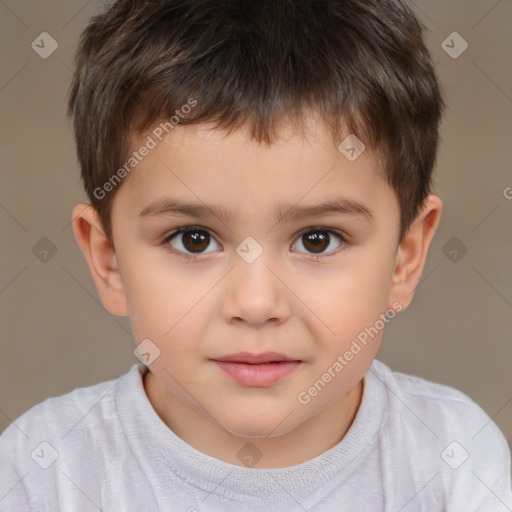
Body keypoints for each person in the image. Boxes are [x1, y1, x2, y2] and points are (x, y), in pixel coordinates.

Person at [1, 0, 511, 510]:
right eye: (193, 239)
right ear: (109, 260)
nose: (256, 302)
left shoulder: (455, 458)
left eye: (317, 239)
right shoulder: (44, 471)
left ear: (405, 258)